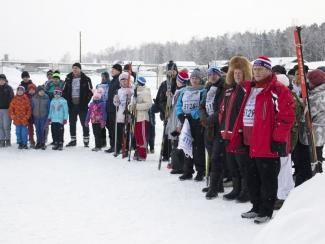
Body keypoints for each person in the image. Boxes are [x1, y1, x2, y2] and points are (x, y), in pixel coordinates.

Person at [228, 56, 295, 224]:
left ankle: (266, 210)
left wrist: (278, 139)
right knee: (252, 178)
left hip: (267, 143)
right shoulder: (250, 88)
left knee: (267, 180)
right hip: (248, 143)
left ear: (268, 70)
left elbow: (286, 117)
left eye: (261, 69)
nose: (257, 72)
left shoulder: (278, 90)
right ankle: (256, 206)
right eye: (255, 69)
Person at [294, 69, 325, 186]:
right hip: (317, 135)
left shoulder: (318, 96)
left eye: (309, 81)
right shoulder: (317, 92)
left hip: (313, 136)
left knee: (310, 164)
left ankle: (308, 188)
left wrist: (300, 102)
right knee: (314, 162)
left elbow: (305, 115)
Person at [199, 66, 225, 198]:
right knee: (211, 156)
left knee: (216, 157)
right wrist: (203, 118)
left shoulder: (223, 87)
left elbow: (222, 109)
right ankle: (217, 184)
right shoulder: (209, 88)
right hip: (208, 127)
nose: (212, 76)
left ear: (219, 75)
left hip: (218, 127)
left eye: (215, 74)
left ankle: (214, 187)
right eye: (210, 75)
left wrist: (209, 120)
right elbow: (202, 105)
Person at [176, 69, 206, 181]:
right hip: (185, 121)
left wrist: (193, 114)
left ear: (200, 79)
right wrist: (180, 114)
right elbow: (179, 104)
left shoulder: (203, 91)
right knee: (186, 144)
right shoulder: (184, 91)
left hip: (197, 121)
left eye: (197, 78)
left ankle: (200, 171)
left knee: (198, 147)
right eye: (193, 78)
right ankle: (187, 170)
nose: (194, 80)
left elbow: (203, 105)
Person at [63, 63, 93, 147]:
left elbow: (91, 91)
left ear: (80, 69)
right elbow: (64, 91)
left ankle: (86, 140)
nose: (75, 70)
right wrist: (68, 101)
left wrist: (85, 101)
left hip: (82, 105)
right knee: (72, 123)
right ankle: (73, 140)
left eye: (76, 68)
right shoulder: (68, 78)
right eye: (73, 68)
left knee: (84, 123)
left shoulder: (86, 79)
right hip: (72, 105)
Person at [166, 70, 189, 174]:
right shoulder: (178, 90)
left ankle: (179, 166)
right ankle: (176, 164)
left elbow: (180, 108)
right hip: (174, 120)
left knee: (177, 143)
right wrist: (170, 96)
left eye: (179, 80)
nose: (177, 82)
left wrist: (180, 124)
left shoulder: (183, 91)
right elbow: (173, 105)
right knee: (174, 142)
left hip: (178, 122)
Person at [154, 60, 178, 161]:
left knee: (175, 134)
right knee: (166, 133)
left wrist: (172, 99)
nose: (171, 73)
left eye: (173, 71)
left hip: (176, 114)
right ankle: (166, 154)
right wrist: (165, 108)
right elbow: (159, 99)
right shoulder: (164, 84)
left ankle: (176, 154)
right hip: (166, 113)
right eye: (169, 71)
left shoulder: (179, 82)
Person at [129, 76, 152, 161]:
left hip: (142, 117)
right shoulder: (135, 92)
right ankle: (138, 152)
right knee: (137, 136)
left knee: (142, 136)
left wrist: (136, 106)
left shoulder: (145, 92)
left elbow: (148, 104)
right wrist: (130, 107)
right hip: (135, 118)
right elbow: (131, 104)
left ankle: (142, 154)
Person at [113, 72, 134, 156]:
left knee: (127, 131)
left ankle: (127, 147)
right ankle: (118, 147)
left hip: (128, 114)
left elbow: (133, 101)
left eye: (125, 81)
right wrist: (116, 100)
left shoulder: (131, 90)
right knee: (119, 132)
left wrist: (130, 96)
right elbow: (117, 104)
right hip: (120, 114)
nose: (124, 82)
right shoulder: (119, 91)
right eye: (122, 81)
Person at [105, 64, 122, 153]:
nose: (112, 71)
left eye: (114, 70)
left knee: (115, 128)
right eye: (112, 69)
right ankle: (112, 145)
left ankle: (116, 146)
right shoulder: (113, 80)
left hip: (115, 108)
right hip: (110, 107)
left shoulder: (119, 80)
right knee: (110, 127)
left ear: (119, 71)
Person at [96, 71, 110, 148]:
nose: (103, 78)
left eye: (104, 76)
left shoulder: (110, 84)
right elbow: (96, 95)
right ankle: (102, 142)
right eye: (102, 76)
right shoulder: (98, 85)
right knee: (101, 126)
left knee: (108, 124)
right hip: (100, 107)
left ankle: (112, 142)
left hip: (108, 106)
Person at [0, 74, 14, 147]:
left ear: (5, 80)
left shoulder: (9, 88)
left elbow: (12, 99)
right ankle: (1, 140)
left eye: (3, 80)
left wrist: (11, 109)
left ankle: (8, 140)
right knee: (0, 126)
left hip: (7, 110)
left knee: (6, 126)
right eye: (0, 80)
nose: (1, 81)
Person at [27, 83, 37, 148]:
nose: (31, 91)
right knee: (30, 129)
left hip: (36, 115)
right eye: (30, 89)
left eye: (33, 89)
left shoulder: (37, 96)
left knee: (38, 128)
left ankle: (39, 140)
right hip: (29, 115)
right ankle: (31, 140)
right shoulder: (26, 96)